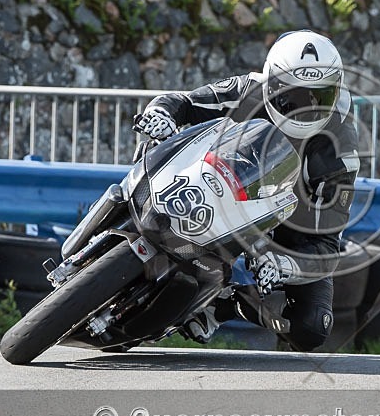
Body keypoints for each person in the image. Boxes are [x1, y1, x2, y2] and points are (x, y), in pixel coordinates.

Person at [135, 30, 360, 352]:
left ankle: (221, 306)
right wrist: (160, 114)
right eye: (292, 97)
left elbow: (327, 242)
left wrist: (287, 264)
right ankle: (117, 211)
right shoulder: (247, 90)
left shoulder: (341, 149)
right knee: (152, 145)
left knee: (311, 327)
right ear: (271, 84)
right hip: (210, 180)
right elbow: (183, 102)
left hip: (282, 220)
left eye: (319, 98)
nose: (305, 109)